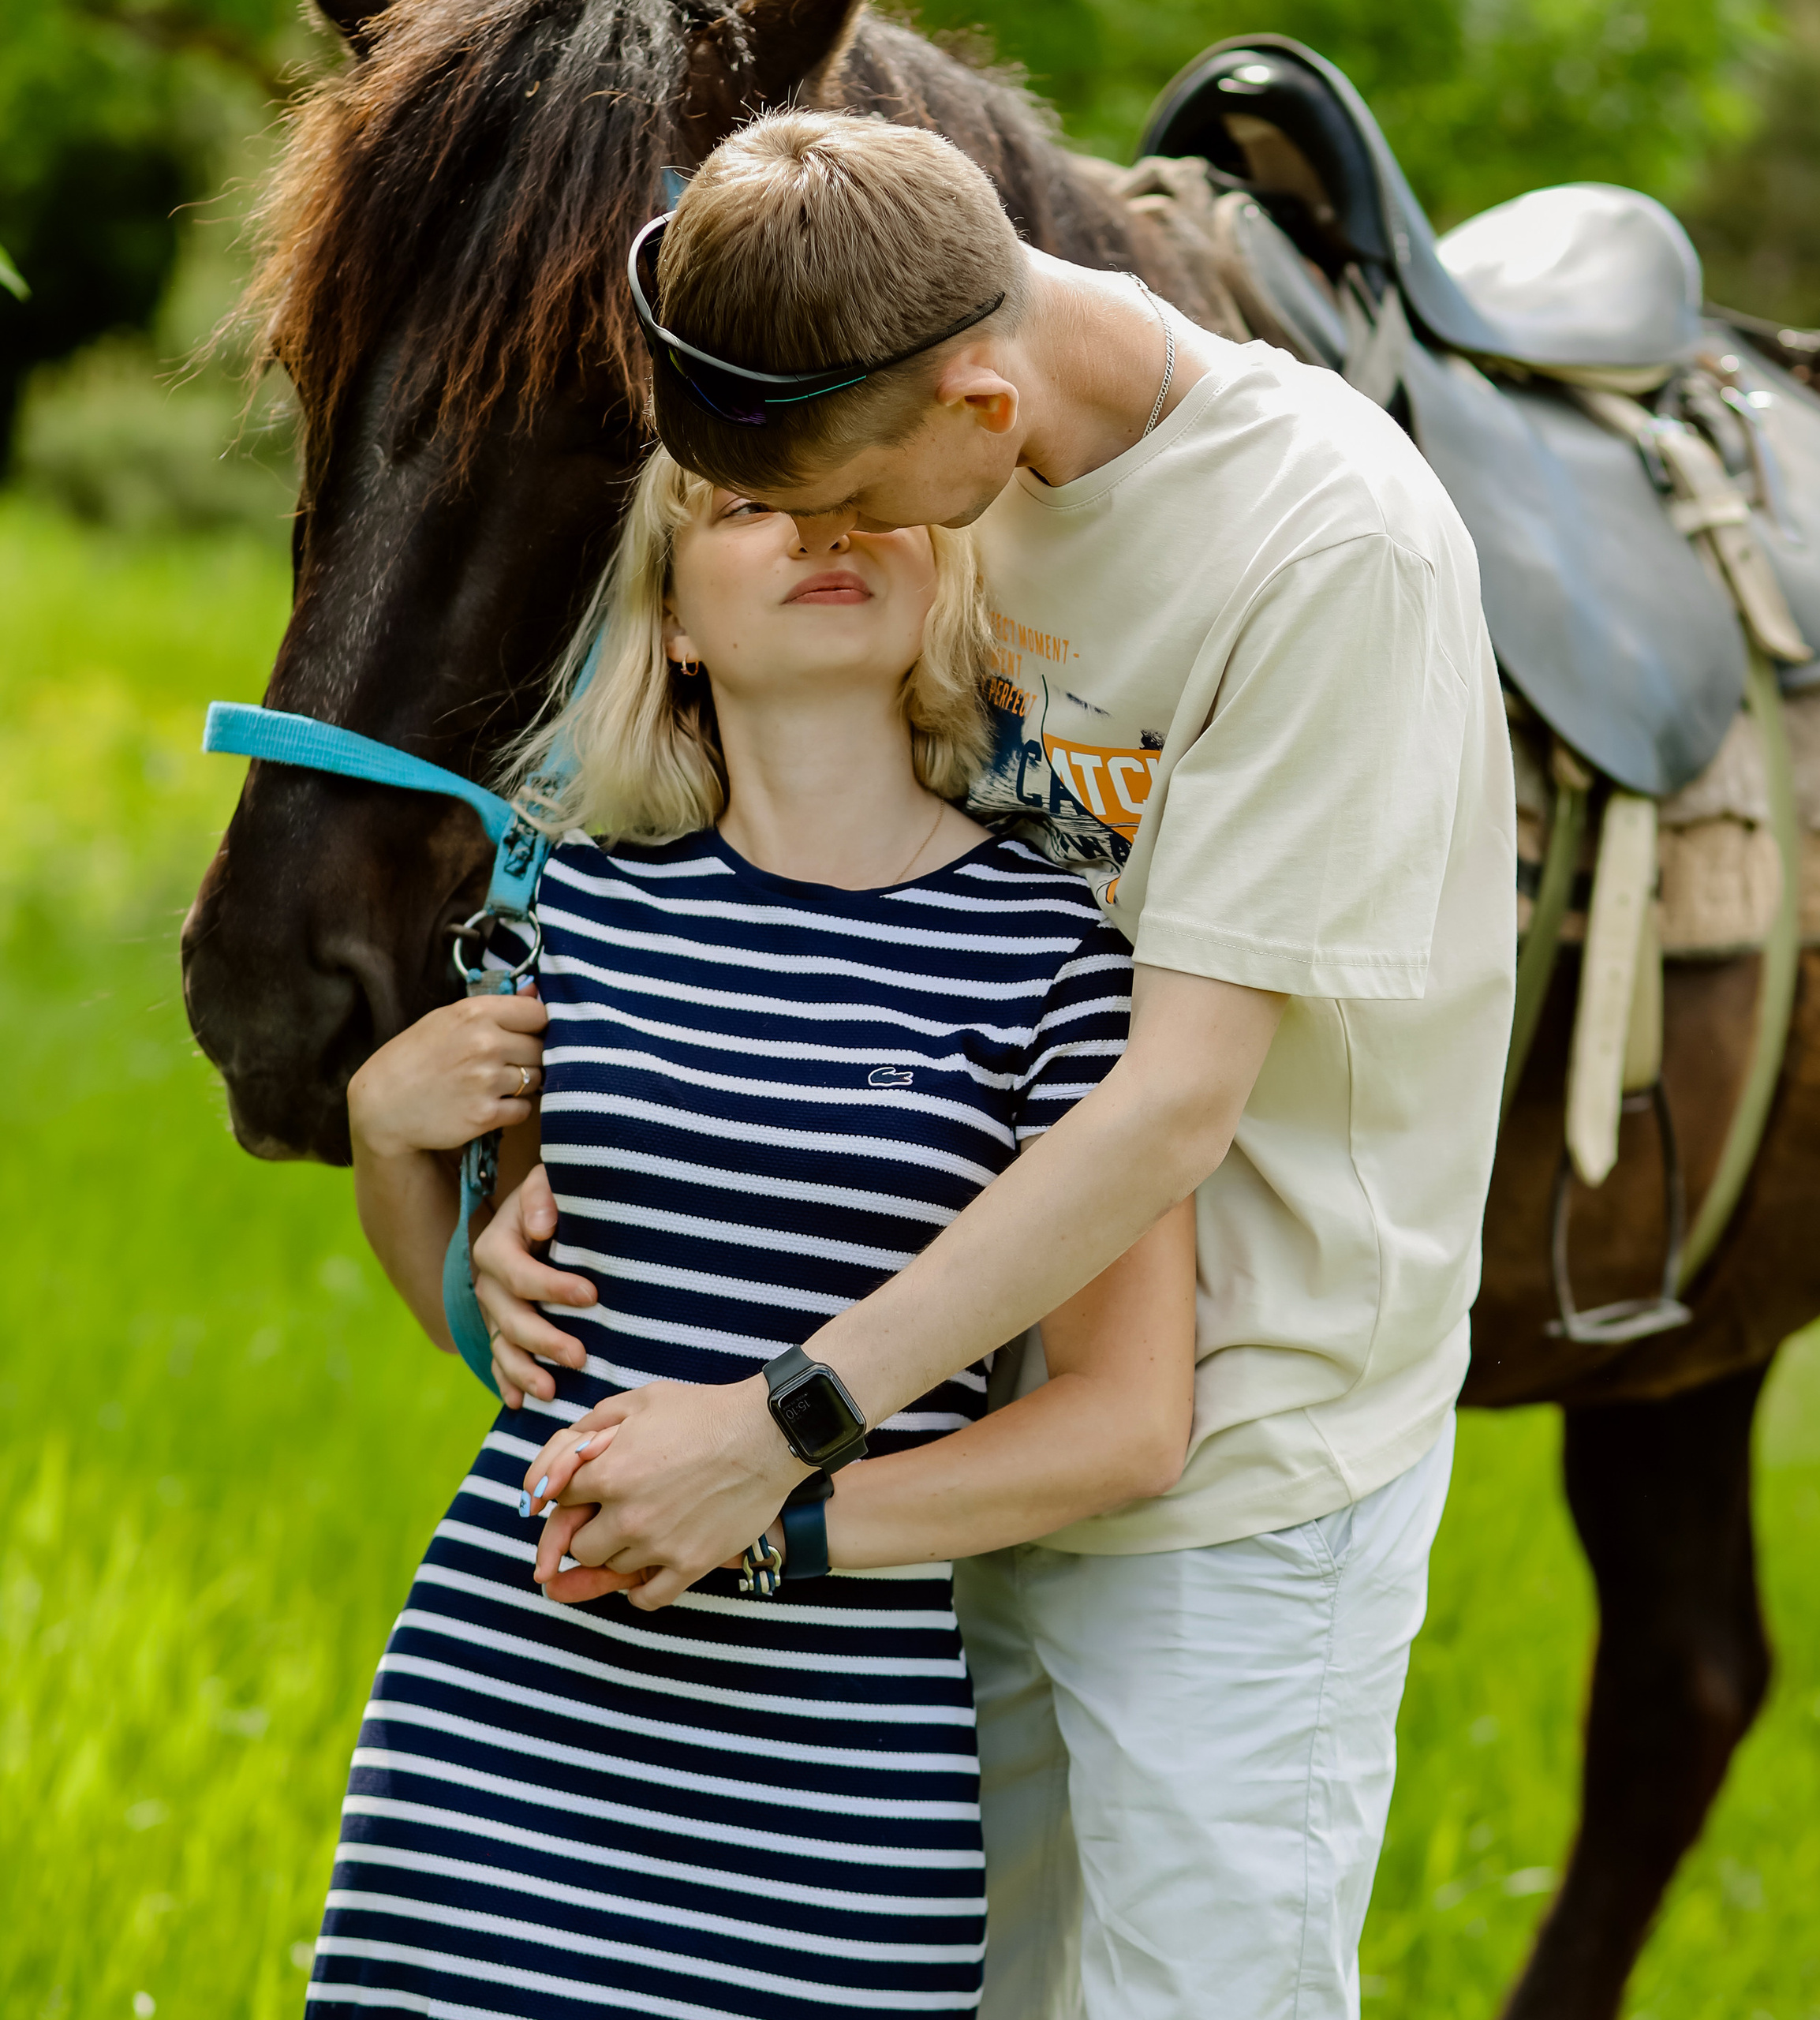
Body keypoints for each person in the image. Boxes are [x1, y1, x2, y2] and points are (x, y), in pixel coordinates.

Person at [493, 111, 1516, 2018]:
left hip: (1223, 1458)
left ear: (979, 407)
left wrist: (780, 1432)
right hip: (946, 1419)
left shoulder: (1322, 547)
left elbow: (1170, 1102)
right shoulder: (923, 421)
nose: (828, 546)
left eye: (858, 502)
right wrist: (512, 1178)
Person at [309, 447, 1196, 2014]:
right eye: (745, 507)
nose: (821, 531)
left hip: (837, 1796)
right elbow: (501, 1332)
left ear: (948, 573)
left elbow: (1123, 1428)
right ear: (673, 623)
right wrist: (390, 1137)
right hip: (498, 1730)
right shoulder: (569, 907)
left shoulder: (1065, 956)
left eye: (870, 497)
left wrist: (774, 1520)